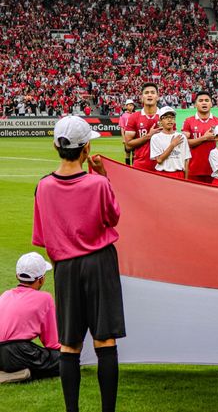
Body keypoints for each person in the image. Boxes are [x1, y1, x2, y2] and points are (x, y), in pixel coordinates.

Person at [32, 116, 125, 412]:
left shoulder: (44, 187)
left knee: (69, 344)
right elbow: (113, 217)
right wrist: (104, 176)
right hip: (99, 263)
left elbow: (43, 237)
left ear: (55, 146)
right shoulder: (97, 184)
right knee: (105, 340)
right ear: (85, 150)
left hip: (66, 268)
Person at [0, 252, 60, 383]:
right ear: (41, 279)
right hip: (18, 351)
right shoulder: (45, 298)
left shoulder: (5, 295)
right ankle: (19, 374)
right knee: (65, 359)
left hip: (5, 352)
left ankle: (11, 372)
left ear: (17, 276)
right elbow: (52, 343)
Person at [181, 91, 218, 184]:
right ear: (195, 104)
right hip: (194, 169)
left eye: (207, 100)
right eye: (201, 100)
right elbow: (185, 143)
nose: (204, 102)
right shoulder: (188, 121)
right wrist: (204, 138)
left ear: (211, 103)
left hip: (214, 168)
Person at [124, 82, 162, 171]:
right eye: (146, 93)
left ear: (157, 97)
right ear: (142, 98)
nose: (149, 95)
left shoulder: (165, 116)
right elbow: (128, 146)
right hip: (140, 166)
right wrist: (148, 136)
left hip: (162, 166)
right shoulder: (134, 117)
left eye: (153, 93)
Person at [150, 107, 191, 179]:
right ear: (160, 121)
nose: (169, 119)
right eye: (166, 117)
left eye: (172, 117)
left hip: (179, 174)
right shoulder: (156, 138)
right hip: (162, 174)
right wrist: (172, 145)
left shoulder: (181, 137)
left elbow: (186, 160)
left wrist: (186, 180)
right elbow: (159, 160)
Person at [118, 99, 135, 165]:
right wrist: (123, 138)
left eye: (132, 105)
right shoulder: (123, 115)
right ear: (126, 106)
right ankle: (128, 168)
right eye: (130, 105)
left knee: (134, 153)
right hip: (127, 135)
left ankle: (134, 168)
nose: (131, 107)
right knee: (127, 153)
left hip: (134, 135)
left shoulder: (135, 114)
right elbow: (122, 127)